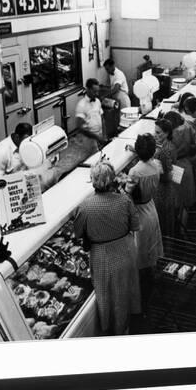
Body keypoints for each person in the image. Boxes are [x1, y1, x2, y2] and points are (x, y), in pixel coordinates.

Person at [73, 161, 141, 335]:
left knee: (105, 295)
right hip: (125, 251)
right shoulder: (124, 200)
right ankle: (124, 327)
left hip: (101, 256)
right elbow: (135, 226)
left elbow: (78, 233)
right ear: (112, 180)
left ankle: (108, 327)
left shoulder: (86, 206)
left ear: (93, 180)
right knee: (124, 290)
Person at [125, 133, 162, 311]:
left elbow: (128, 192)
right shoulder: (156, 166)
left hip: (139, 213)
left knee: (139, 255)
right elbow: (148, 160)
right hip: (151, 208)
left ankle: (139, 296)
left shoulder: (135, 171)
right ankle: (151, 283)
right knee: (150, 249)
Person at [163, 110, 196, 210]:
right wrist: (192, 159)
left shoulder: (169, 134)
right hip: (187, 166)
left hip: (174, 169)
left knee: (176, 203)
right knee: (186, 202)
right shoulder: (188, 127)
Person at [153, 119, 178, 237]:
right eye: (155, 132)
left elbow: (168, 176)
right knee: (167, 221)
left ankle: (165, 251)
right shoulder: (168, 145)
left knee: (163, 222)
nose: (155, 135)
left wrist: (155, 174)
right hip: (168, 190)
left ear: (167, 133)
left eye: (158, 133)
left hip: (163, 191)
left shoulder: (165, 150)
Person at [75, 78, 107, 156]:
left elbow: (102, 118)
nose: (97, 94)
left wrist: (104, 135)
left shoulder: (98, 101)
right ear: (87, 89)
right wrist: (96, 137)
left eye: (97, 91)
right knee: (92, 160)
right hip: (89, 139)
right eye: (94, 91)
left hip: (100, 135)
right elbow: (80, 128)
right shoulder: (81, 105)